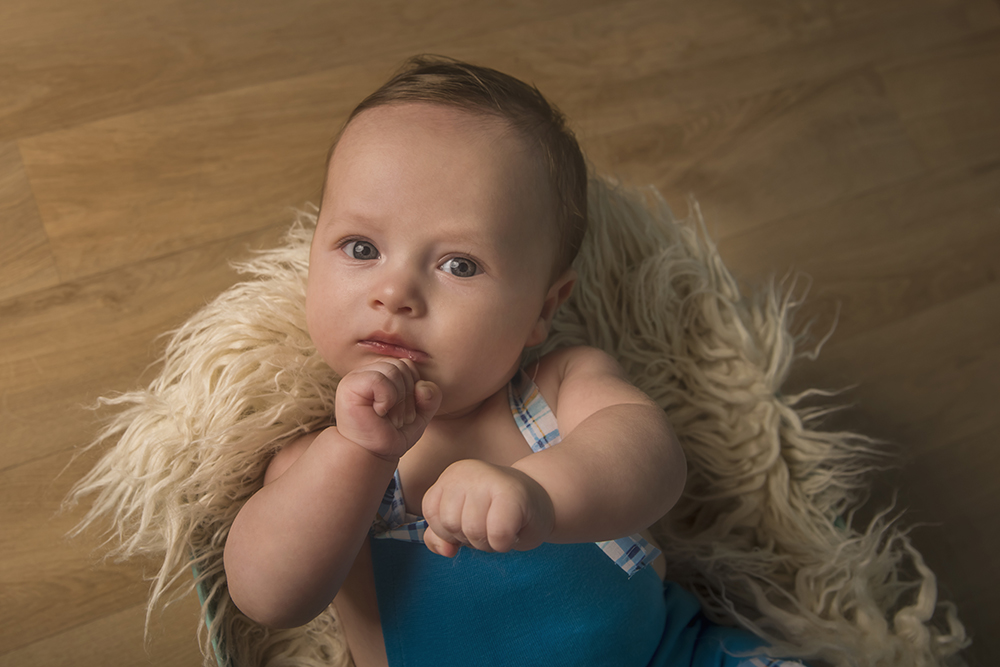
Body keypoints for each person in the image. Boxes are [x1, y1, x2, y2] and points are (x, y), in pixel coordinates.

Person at [224, 56, 804, 667]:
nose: (395, 292)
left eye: (460, 264)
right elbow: (267, 598)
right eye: (362, 248)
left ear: (542, 309)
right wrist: (359, 453)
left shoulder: (559, 387)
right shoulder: (313, 465)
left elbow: (652, 462)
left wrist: (539, 495)